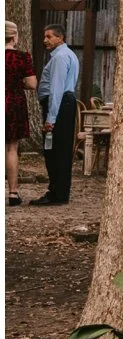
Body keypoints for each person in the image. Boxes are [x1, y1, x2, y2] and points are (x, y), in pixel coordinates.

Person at [33, 24, 79, 206]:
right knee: (61, 150)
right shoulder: (68, 55)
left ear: (60, 38)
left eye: (49, 36)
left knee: (55, 151)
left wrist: (51, 118)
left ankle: (56, 193)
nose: (45, 40)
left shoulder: (60, 57)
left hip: (60, 105)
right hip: (65, 104)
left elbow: (56, 89)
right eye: (45, 36)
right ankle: (60, 191)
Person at [5, 21, 38, 206]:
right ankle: (13, 192)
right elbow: (32, 83)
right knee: (11, 148)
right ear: (13, 37)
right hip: (13, 103)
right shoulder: (22, 57)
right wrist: (17, 83)